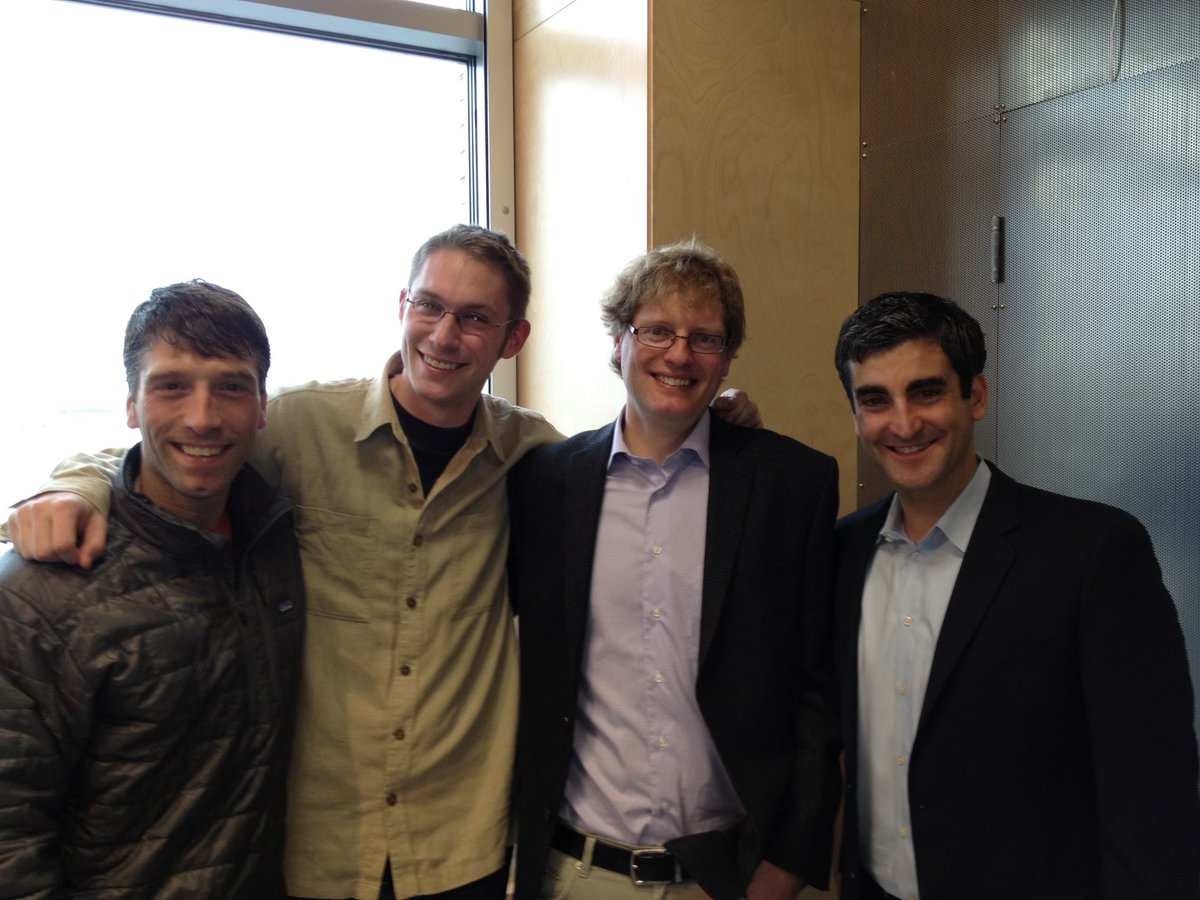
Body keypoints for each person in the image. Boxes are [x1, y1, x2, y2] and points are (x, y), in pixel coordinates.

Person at [3, 225, 761, 900]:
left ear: (513, 338)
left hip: (460, 845)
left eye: (475, 318)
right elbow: (182, 444)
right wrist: (72, 485)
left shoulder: (534, 456)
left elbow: (636, 463)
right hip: (314, 847)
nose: (445, 335)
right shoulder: (298, 426)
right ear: (402, 305)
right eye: (429, 306)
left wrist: (717, 423)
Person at [831, 291, 1200, 900]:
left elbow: (1151, 788)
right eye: (874, 400)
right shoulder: (842, 552)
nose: (903, 423)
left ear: (975, 395)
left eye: (926, 392)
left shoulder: (1092, 552)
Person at [507, 240, 841, 900]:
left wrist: (790, 862)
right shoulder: (543, 484)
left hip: (730, 877)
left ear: (727, 356)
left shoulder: (790, 485)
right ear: (618, 342)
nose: (679, 355)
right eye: (657, 330)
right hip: (575, 874)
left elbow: (817, 687)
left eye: (704, 338)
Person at [0, 280, 305, 897]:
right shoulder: (41, 590)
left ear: (261, 406)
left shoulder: (275, 541)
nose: (203, 417)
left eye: (231, 386)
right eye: (171, 386)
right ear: (132, 406)